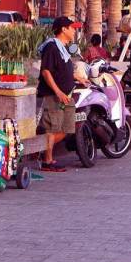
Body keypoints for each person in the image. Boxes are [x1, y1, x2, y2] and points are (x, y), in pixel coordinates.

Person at [35, 16, 82, 172]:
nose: (74, 31)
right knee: (52, 127)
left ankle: (39, 149)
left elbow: (61, 70)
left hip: (66, 95)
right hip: (53, 95)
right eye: (72, 28)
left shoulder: (63, 48)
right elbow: (46, 71)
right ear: (63, 29)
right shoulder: (51, 47)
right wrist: (58, 91)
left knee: (67, 128)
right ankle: (47, 160)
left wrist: (77, 77)